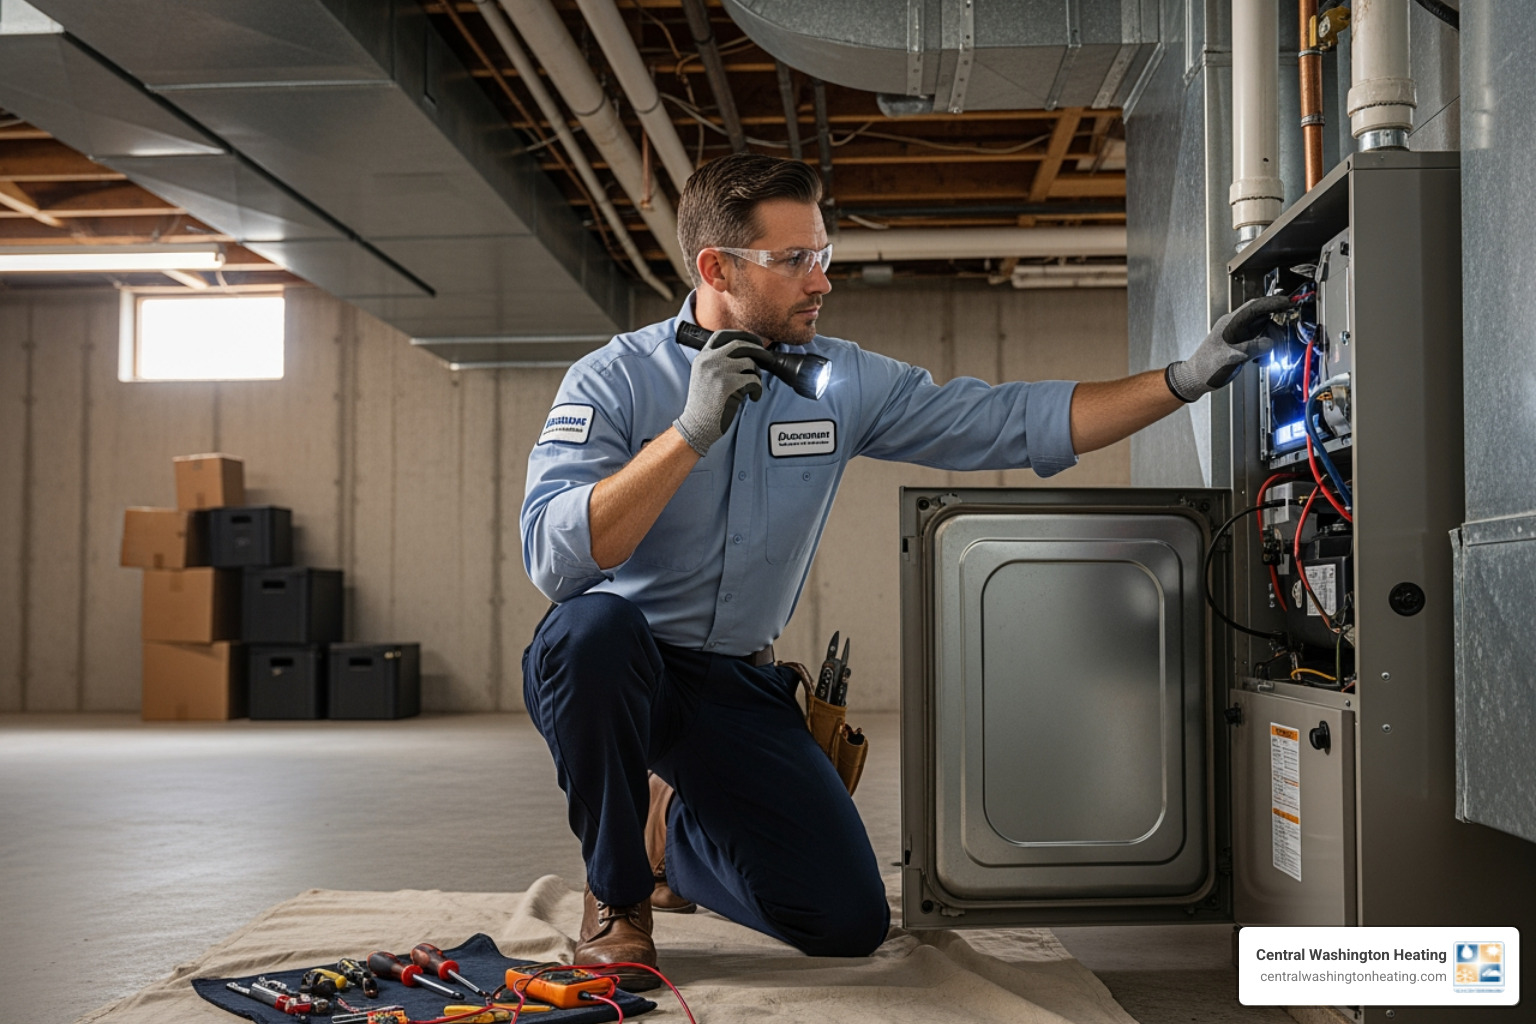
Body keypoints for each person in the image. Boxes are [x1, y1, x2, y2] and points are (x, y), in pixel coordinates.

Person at [519, 152, 1286, 989]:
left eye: (823, 254)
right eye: (794, 259)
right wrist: (688, 433)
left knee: (846, 921)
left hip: (733, 683)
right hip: (621, 672)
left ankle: (672, 837)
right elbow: (556, 557)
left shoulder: (838, 381)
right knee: (591, 630)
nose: (822, 280)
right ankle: (618, 896)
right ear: (716, 268)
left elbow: (1004, 419)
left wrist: (1182, 380)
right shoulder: (615, 379)